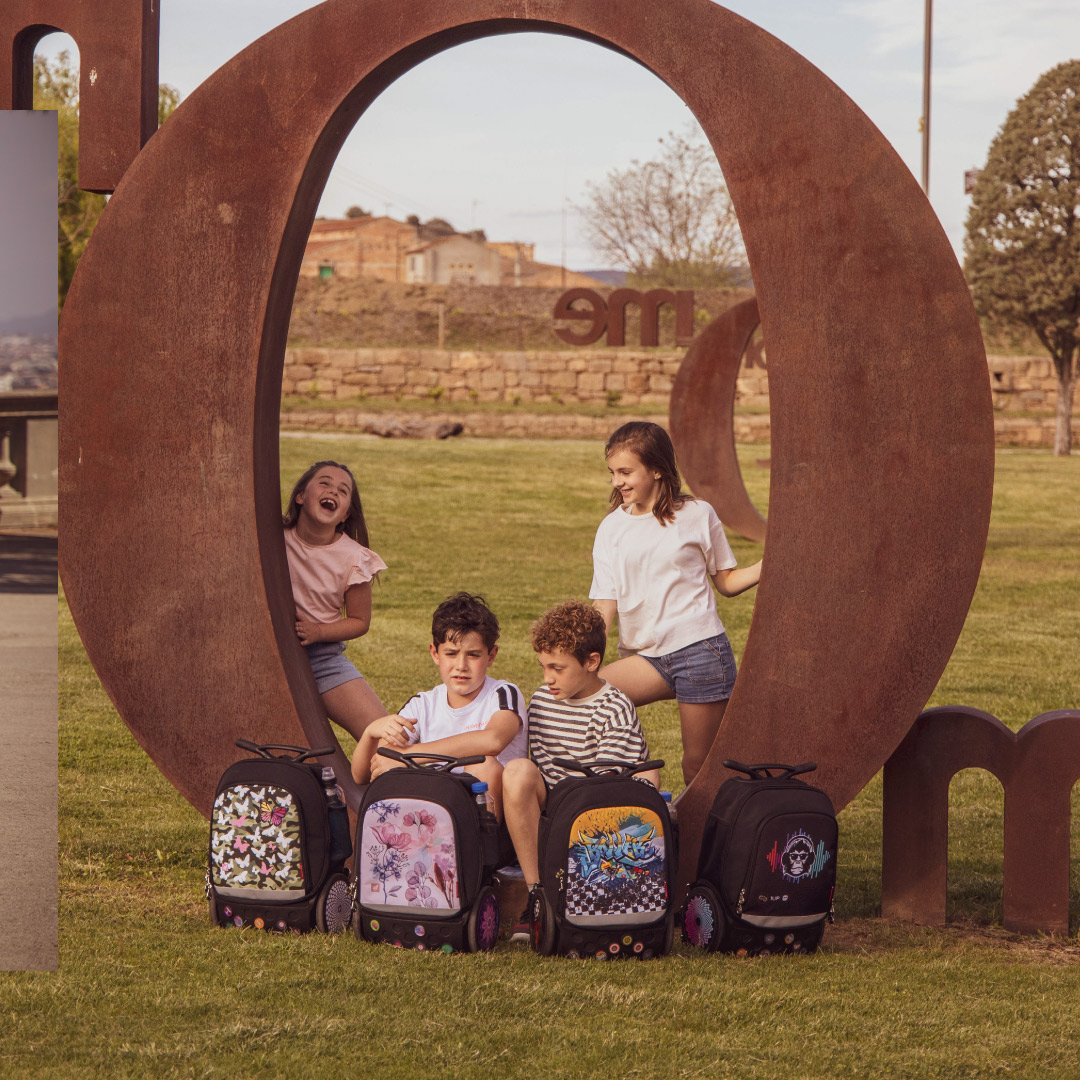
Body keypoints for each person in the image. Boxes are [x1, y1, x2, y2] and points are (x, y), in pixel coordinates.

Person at [590, 421, 761, 786]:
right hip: (645, 658)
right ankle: (639, 795)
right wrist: (582, 657)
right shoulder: (611, 528)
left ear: (656, 469)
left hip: (700, 652)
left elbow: (727, 582)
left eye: (625, 472)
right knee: (585, 696)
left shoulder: (698, 514)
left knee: (697, 767)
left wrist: (769, 565)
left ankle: (708, 837)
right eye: (612, 473)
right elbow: (604, 606)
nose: (617, 481)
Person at [502, 600, 658, 943]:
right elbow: (538, 771)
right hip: (556, 808)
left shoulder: (614, 707)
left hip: (602, 819)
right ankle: (537, 895)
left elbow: (605, 789)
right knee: (516, 771)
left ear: (591, 662)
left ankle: (582, 894)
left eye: (557, 668)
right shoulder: (542, 700)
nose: (547, 678)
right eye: (543, 667)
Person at [349, 592, 527, 821]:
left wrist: (410, 755)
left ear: (491, 656)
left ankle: (485, 853)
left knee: (484, 766)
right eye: (451, 654)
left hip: (491, 819)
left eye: (473, 655)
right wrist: (370, 733)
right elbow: (369, 772)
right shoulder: (423, 704)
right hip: (437, 814)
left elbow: (492, 741)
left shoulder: (503, 693)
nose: (461, 666)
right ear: (435, 653)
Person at [283, 460, 387, 741]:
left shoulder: (354, 558)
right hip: (270, 651)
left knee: (384, 735)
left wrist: (319, 632)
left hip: (323, 658)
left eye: (343, 491)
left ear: (345, 514)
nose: (333, 491)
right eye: (325, 483)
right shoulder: (273, 538)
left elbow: (359, 621)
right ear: (301, 495)